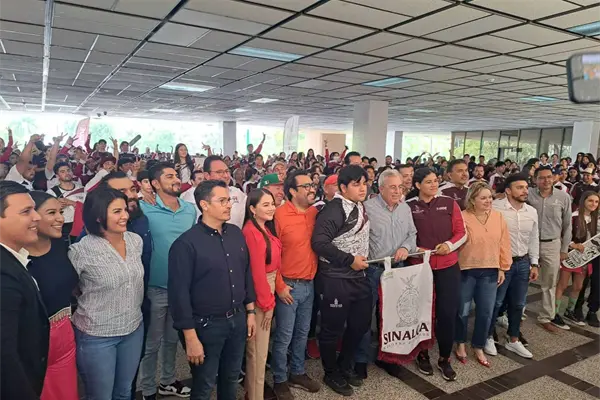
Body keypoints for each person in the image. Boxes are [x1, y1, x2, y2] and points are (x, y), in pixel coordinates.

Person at [168, 180, 257, 400]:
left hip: (237, 319)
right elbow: (179, 294)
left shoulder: (235, 234)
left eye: (229, 200)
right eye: (222, 201)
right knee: (205, 383)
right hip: (206, 325)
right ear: (204, 205)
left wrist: (250, 311)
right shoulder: (186, 244)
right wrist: (190, 337)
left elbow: (245, 273)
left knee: (231, 377)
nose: (229, 205)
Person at [69, 188, 145, 400]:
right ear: (98, 216)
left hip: (133, 328)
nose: (125, 216)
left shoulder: (135, 241)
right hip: (97, 334)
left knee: (124, 391)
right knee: (100, 396)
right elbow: (71, 288)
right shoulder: (81, 251)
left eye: (125, 210)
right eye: (117, 211)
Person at [312, 165, 371, 396]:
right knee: (332, 329)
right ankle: (330, 372)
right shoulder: (334, 209)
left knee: (360, 325)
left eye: (364, 183)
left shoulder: (358, 205)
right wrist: (349, 260)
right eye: (356, 184)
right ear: (343, 188)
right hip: (336, 278)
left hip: (359, 277)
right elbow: (319, 243)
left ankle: (345, 364)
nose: (362, 188)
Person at [139, 163, 195, 400]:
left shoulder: (189, 209)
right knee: (152, 343)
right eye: (169, 176)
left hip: (182, 287)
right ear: (155, 183)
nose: (176, 179)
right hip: (155, 287)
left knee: (172, 339)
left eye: (176, 175)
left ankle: (168, 381)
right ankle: (148, 389)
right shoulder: (143, 208)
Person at [354, 169, 417, 378]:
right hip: (373, 270)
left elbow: (412, 234)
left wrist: (406, 247)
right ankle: (360, 359)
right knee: (365, 316)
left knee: (391, 316)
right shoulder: (367, 208)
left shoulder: (405, 208)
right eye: (392, 187)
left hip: (396, 270)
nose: (397, 191)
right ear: (381, 188)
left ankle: (387, 357)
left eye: (400, 187)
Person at [406, 168, 466, 381]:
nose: (433, 185)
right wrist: (416, 250)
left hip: (448, 267)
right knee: (422, 313)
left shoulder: (449, 203)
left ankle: (444, 358)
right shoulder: (408, 206)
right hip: (420, 268)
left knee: (447, 314)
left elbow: (462, 232)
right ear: (417, 185)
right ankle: (422, 354)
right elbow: (403, 237)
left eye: (435, 181)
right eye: (428, 182)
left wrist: (449, 245)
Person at [271, 170, 321, 400]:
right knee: (284, 336)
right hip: (288, 286)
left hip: (309, 284)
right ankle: (280, 379)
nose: (312, 189)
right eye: (306, 186)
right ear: (292, 191)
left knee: (302, 333)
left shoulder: (314, 213)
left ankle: (297, 372)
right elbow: (271, 254)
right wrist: (279, 285)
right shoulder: (279, 215)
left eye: (312, 184)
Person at [26, 191, 79, 400]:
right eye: (51, 213)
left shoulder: (58, 244)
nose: (60, 218)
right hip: (33, 341)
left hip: (65, 336)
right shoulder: (16, 257)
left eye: (61, 212)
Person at [454, 182, 511, 368]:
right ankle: (460, 343)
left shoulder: (498, 217)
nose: (488, 201)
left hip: (490, 270)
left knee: (486, 311)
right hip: (466, 270)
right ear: (472, 200)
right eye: (483, 198)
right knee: (462, 311)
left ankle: (478, 346)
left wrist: (502, 268)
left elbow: (504, 243)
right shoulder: (462, 217)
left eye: (490, 197)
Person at [0, 181, 47, 400]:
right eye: (26, 211)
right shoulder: (3, 275)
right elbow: (5, 356)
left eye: (34, 209)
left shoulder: (13, 259)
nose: (37, 217)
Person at [485, 174, 539, 360]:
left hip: (523, 262)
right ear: (508, 190)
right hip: (501, 263)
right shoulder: (495, 208)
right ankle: (488, 336)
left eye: (526, 187)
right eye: (520, 187)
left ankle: (513, 339)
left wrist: (534, 262)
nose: (525, 191)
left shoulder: (531, 211)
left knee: (518, 303)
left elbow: (533, 238)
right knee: (496, 302)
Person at [242, 189, 282, 400]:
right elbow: (257, 273)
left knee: (260, 351)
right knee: (257, 353)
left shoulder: (264, 228)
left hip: (269, 288)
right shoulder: (251, 232)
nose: (272, 208)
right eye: (265, 204)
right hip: (262, 293)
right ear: (252, 208)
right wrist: (267, 305)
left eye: (272, 203)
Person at [528, 166, 572, 332]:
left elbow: (567, 225)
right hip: (529, 243)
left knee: (549, 282)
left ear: (554, 178)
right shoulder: (528, 194)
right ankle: (518, 313)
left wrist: (564, 249)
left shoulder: (563, 197)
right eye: (541, 178)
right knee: (522, 279)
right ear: (535, 179)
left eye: (548, 177)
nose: (546, 181)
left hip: (552, 244)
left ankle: (546, 317)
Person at [556, 191, 600, 326]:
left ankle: (569, 311)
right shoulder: (574, 216)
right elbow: (561, 233)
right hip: (570, 255)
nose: (593, 204)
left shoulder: (595, 219)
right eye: (590, 201)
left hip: (585, 258)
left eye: (596, 202)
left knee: (578, 286)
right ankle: (554, 312)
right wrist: (572, 244)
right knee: (563, 285)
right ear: (583, 201)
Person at [47, 161, 85, 243]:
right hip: (63, 227)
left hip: (81, 226)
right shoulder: (51, 192)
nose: (67, 173)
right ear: (57, 175)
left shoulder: (82, 189)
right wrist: (57, 206)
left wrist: (72, 203)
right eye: (62, 171)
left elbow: (89, 208)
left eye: (68, 170)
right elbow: (47, 212)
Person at [204, 155, 246, 228]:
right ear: (207, 175)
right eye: (220, 172)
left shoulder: (238, 193)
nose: (226, 176)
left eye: (227, 171)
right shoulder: (198, 197)